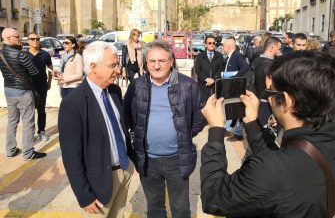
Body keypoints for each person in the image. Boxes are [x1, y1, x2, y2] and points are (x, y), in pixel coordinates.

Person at [200, 51, 335, 217]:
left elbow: (213, 197)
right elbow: (279, 166)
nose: (268, 99)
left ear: (288, 102)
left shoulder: (272, 171)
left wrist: (216, 131)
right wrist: (252, 124)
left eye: (271, 93)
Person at [123, 40, 206, 218]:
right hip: (147, 159)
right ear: (146, 63)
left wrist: (185, 133)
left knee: (181, 209)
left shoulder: (187, 85)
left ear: (171, 62)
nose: (157, 65)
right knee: (154, 209)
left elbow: (201, 114)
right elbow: (127, 115)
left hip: (177, 159)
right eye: (152, 61)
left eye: (161, 61)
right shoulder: (137, 86)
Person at [58, 41, 136, 217]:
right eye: (113, 65)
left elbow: (121, 129)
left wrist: (131, 162)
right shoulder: (73, 103)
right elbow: (71, 156)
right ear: (93, 66)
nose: (118, 70)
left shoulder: (115, 91)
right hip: (99, 182)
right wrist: (84, 195)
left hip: (123, 171)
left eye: (118, 64)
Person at [0, 28, 46, 160]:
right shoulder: (21, 54)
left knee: (12, 121)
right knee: (28, 122)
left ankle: (10, 150)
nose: (20, 38)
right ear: (8, 39)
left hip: (8, 90)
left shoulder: (1, 54)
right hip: (23, 91)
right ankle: (28, 153)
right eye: (17, 36)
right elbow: (34, 71)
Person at [27, 32, 53, 142]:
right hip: (28, 88)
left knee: (41, 110)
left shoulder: (45, 54)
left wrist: (49, 82)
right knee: (29, 112)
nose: (35, 41)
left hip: (42, 87)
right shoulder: (23, 54)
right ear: (28, 40)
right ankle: (30, 133)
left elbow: (50, 69)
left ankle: (41, 131)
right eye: (32, 39)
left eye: (37, 39)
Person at [222, 37, 250, 140]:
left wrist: (235, 77)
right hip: (231, 86)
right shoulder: (230, 56)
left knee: (237, 109)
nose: (223, 48)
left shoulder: (236, 55)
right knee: (231, 108)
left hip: (236, 87)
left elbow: (245, 67)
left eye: (224, 46)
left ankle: (237, 133)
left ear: (229, 46)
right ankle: (230, 130)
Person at [194, 35, 224, 103]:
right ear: (205, 44)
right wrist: (206, 79)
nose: (212, 45)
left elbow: (221, 69)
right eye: (209, 43)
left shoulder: (219, 56)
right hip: (203, 86)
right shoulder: (200, 56)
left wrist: (213, 79)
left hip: (215, 87)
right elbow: (198, 70)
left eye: (213, 43)